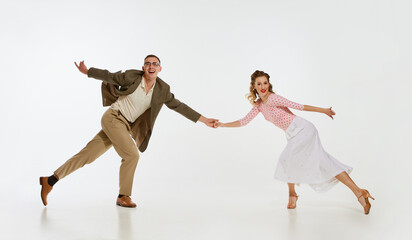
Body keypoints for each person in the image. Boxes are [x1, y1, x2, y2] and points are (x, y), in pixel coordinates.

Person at [39, 55, 217, 208]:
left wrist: (204, 120)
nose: (151, 66)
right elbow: (110, 76)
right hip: (113, 118)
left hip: (124, 126)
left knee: (88, 155)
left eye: (155, 64)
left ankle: (50, 180)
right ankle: (123, 196)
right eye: (148, 63)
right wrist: (88, 72)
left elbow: (179, 106)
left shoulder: (162, 90)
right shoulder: (133, 76)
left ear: (160, 69)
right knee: (132, 155)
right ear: (143, 67)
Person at [214, 70, 374, 214]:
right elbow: (243, 121)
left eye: (265, 82)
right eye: (259, 84)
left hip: (303, 129)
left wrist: (323, 110)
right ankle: (359, 193)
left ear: (269, 84)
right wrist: (222, 124)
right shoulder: (259, 106)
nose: (263, 86)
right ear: (254, 87)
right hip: (293, 134)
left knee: (287, 159)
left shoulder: (273, 98)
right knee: (324, 163)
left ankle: (292, 194)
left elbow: (299, 106)